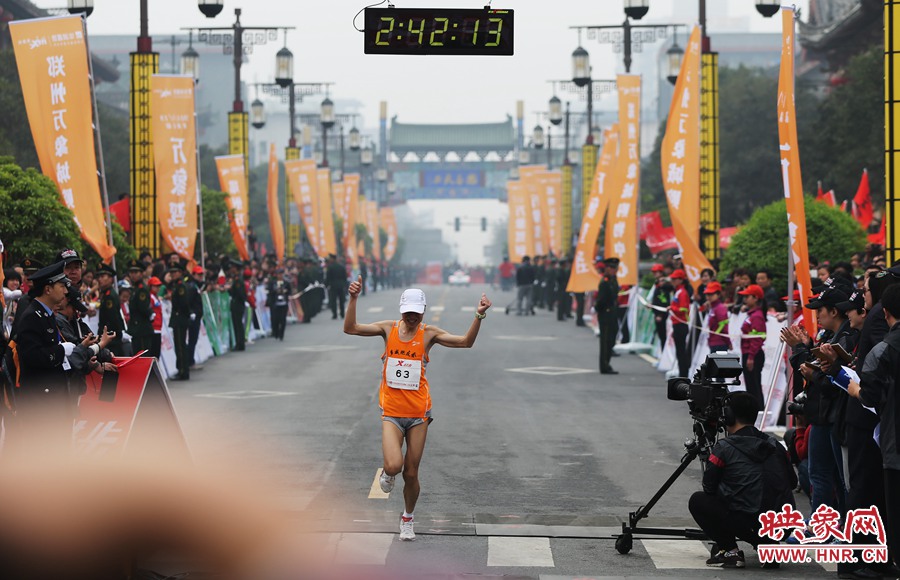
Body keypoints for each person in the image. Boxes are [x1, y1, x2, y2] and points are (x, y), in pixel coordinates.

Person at [343, 276, 491, 542]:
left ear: (423, 312)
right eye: (408, 312)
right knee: (394, 465)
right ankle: (388, 475)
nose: (412, 317)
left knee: (411, 472)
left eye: (417, 313)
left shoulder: (429, 333)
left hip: (419, 415)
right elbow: (351, 328)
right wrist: (353, 298)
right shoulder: (388, 329)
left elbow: (465, 342)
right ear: (402, 310)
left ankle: (407, 519)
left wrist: (478, 316)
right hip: (391, 411)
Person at [689, 392, 796, 569]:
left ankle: (730, 551)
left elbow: (709, 487)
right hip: (782, 525)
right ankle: (767, 545)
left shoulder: (724, 447)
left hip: (748, 522)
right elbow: (792, 483)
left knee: (699, 501)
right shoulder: (775, 445)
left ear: (728, 416)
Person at [849, 282, 900, 571]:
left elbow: (868, 395)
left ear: (886, 312)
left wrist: (853, 388)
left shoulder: (882, 351)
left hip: (894, 447)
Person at [3, 262, 76, 457]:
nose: (66, 290)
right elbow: (32, 356)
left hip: (52, 397)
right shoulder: (32, 316)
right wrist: (60, 351)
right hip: (41, 400)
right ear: (48, 288)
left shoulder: (46, 314)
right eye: (62, 286)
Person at [738, 284, 767, 409]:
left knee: (754, 386)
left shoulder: (757, 316)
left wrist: (750, 357)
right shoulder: (752, 314)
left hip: (753, 355)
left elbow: (757, 339)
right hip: (749, 353)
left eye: (747, 296)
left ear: (755, 298)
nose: (745, 299)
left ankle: (759, 411)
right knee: (751, 386)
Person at [595, 257, 620, 375]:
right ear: (608, 268)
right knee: (605, 341)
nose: (615, 270)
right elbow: (600, 300)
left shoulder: (613, 280)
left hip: (613, 313)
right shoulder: (604, 282)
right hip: (605, 313)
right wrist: (600, 311)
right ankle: (604, 366)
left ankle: (608, 362)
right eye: (613, 268)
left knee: (612, 338)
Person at [96, 263, 126, 356]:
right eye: (99, 277)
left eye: (102, 276)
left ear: (111, 279)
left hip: (111, 337)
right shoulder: (106, 294)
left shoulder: (109, 296)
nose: (99, 279)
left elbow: (112, 318)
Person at [169, 263, 191, 380]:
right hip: (179, 318)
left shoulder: (180, 286)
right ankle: (182, 369)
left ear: (180, 273)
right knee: (179, 345)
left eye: (175, 272)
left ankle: (183, 370)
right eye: (171, 272)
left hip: (180, 319)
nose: (172, 274)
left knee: (181, 346)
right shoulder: (177, 285)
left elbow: (184, 304)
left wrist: (184, 316)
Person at [126, 259, 152, 356]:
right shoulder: (135, 288)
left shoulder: (141, 289)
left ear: (141, 273)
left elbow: (144, 308)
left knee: (143, 358)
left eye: (136, 272)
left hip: (141, 329)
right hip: (137, 329)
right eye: (131, 272)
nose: (133, 275)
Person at [669, 269, 691, 377]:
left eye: (674, 279)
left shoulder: (682, 293)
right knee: (679, 351)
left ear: (681, 280)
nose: (672, 281)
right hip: (677, 324)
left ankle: (684, 375)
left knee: (681, 352)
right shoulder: (678, 291)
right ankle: (682, 374)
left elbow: (683, 309)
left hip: (681, 324)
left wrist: (672, 308)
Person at [704, 281, 731, 353]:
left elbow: (724, 328)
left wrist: (728, 342)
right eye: (707, 294)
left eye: (711, 294)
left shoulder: (720, 308)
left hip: (720, 344)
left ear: (718, 294)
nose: (708, 297)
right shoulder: (713, 308)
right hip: (713, 343)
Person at [186, 266, 205, 370]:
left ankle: (191, 361)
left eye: (201, 274)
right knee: (192, 339)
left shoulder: (195, 286)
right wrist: (192, 313)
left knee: (193, 340)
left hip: (196, 316)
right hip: (193, 317)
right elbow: (188, 302)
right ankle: (190, 362)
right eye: (199, 275)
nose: (201, 277)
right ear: (193, 275)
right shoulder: (192, 287)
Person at [267, 268, 291, 341]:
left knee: (283, 320)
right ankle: (276, 332)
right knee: (275, 319)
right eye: (278, 274)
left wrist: (285, 291)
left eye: (281, 274)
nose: (280, 276)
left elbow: (290, 292)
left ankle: (281, 334)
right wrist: (275, 291)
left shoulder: (286, 282)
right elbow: (269, 291)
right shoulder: (272, 282)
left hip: (283, 303)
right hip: (275, 303)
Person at [228, 261, 247, 351]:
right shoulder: (236, 279)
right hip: (237, 304)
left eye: (232, 267)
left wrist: (230, 290)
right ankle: (239, 343)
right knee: (237, 324)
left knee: (238, 325)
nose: (231, 269)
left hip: (237, 304)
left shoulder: (237, 280)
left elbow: (239, 293)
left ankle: (240, 344)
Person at [325, 254, 347, 320]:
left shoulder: (330, 267)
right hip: (341, 286)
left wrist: (326, 285)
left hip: (333, 286)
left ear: (332, 259)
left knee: (333, 301)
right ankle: (342, 314)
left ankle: (335, 314)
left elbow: (328, 277)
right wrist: (344, 285)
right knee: (341, 300)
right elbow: (345, 277)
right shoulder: (341, 266)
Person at [148, 276, 164, 360]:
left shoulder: (155, 296)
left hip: (158, 327)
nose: (157, 288)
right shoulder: (150, 297)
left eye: (158, 286)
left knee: (156, 354)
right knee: (154, 354)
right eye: (155, 286)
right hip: (153, 328)